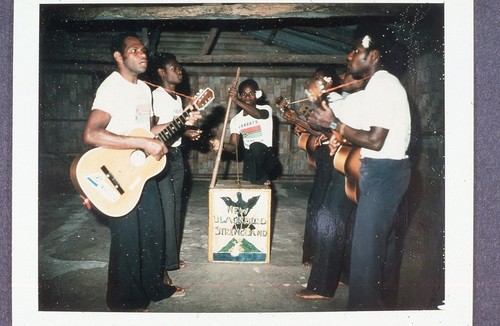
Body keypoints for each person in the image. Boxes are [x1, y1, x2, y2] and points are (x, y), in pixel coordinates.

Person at [307, 24, 411, 310]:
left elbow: (375, 140)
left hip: (383, 172)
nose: (349, 56)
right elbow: (365, 131)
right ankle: (384, 310)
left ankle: (364, 313)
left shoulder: (381, 83)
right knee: (383, 249)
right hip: (388, 172)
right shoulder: (379, 85)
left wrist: (331, 124)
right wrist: (339, 133)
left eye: (356, 50)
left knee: (366, 254)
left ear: (373, 55)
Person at [82, 32, 186, 312]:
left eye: (144, 50)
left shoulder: (143, 89)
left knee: (153, 230)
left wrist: (182, 121)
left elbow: (146, 131)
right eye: (135, 50)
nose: (143, 55)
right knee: (128, 237)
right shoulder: (112, 86)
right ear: (119, 56)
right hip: (115, 172)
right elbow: (92, 134)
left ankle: (155, 287)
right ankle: (124, 301)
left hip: (142, 171)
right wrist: (142, 142)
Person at [294, 69, 367, 301]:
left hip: (348, 164)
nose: (343, 76)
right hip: (352, 164)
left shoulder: (350, 99)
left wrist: (321, 103)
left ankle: (321, 287)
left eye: (348, 74)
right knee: (348, 220)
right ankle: (344, 274)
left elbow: (342, 128)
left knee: (331, 218)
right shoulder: (354, 99)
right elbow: (339, 130)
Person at [148, 52, 202, 285]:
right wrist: (182, 123)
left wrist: (188, 131)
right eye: (174, 67)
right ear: (161, 72)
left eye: (180, 67)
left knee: (176, 208)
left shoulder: (176, 99)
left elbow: (175, 128)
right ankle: (161, 266)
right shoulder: (156, 96)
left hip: (178, 155)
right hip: (161, 158)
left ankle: (171, 259)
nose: (179, 71)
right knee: (165, 210)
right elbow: (152, 129)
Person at [212, 79, 280, 186]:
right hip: (250, 160)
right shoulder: (236, 120)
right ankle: (258, 179)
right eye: (244, 94)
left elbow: (257, 115)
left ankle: (262, 177)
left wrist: (236, 101)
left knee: (255, 146)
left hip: (267, 157)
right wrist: (222, 145)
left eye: (251, 94)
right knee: (249, 185)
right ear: (239, 95)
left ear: (257, 95)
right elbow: (234, 147)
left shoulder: (266, 109)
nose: (247, 97)